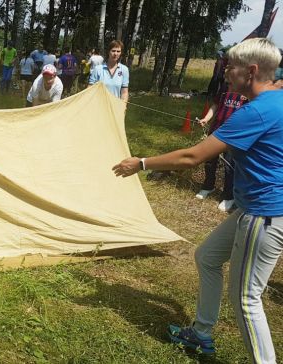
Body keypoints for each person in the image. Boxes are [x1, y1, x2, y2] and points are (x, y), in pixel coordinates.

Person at [113, 38, 283, 363]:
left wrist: (142, 163)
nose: (225, 72)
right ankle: (201, 335)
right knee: (207, 256)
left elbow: (193, 156)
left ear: (251, 70)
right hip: (254, 208)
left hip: (264, 215)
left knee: (247, 298)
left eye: (231, 66)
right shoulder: (277, 100)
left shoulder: (256, 112)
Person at [196, 82, 248, 212]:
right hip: (216, 130)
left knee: (230, 166)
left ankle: (229, 196)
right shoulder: (224, 87)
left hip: (235, 134)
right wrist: (206, 119)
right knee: (209, 160)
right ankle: (208, 186)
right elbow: (215, 105)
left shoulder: (248, 89)